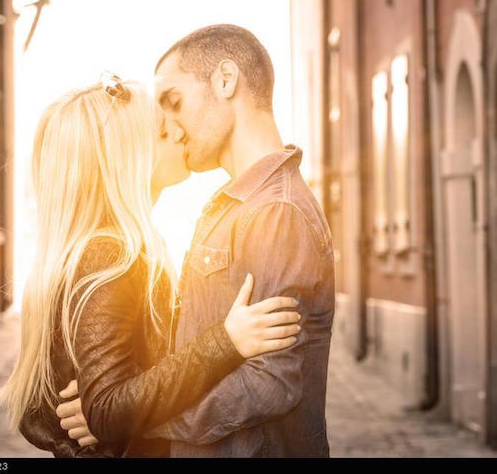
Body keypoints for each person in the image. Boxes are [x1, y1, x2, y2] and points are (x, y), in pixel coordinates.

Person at [59, 25, 336, 457]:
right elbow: (185, 352)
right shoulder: (231, 205)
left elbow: (272, 381)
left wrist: (131, 421)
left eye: (174, 101)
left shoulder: (276, 212)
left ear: (226, 80)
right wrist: (113, 401)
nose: (169, 127)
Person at [0, 72, 302, 458]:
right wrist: (226, 342)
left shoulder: (107, 249)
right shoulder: (112, 257)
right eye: (161, 133)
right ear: (127, 160)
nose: (177, 133)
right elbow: (105, 409)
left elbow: (100, 392)